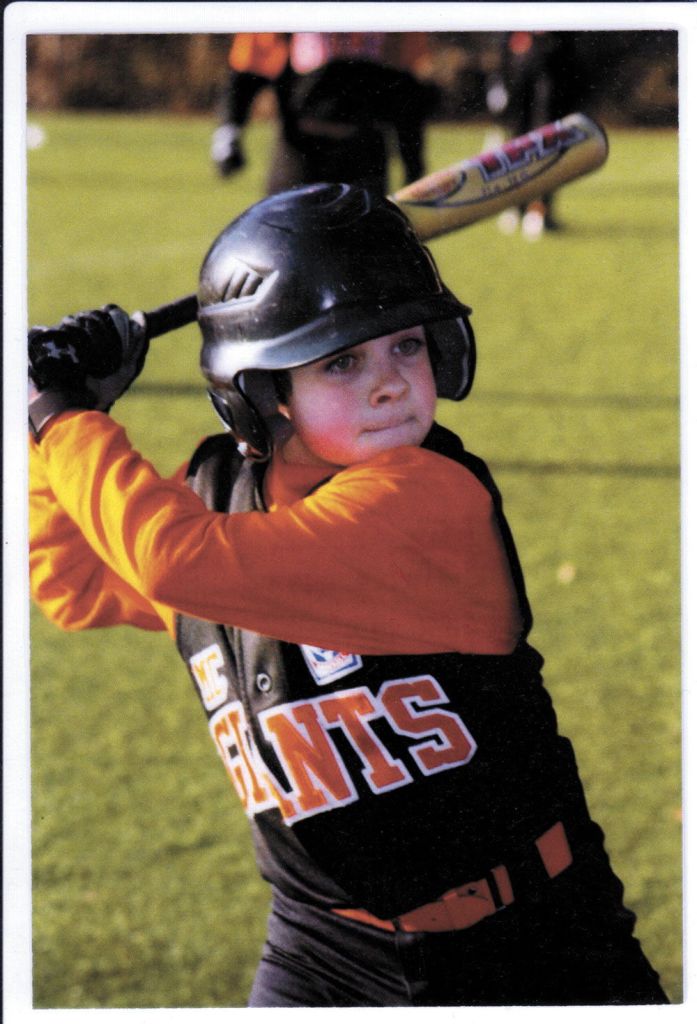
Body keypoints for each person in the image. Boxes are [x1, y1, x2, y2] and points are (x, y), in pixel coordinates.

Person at [28, 184, 667, 1007]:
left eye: (405, 345)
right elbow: (72, 580)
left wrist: (60, 414)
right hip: (321, 946)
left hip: (531, 943)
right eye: (340, 361)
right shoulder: (217, 492)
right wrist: (58, 435)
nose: (391, 383)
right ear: (265, 394)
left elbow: (170, 559)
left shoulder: (429, 500)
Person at [211, 32, 439, 194]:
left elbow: (407, 90)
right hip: (300, 151)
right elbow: (249, 70)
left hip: (364, 155)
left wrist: (414, 166)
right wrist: (228, 132)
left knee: (362, 250)